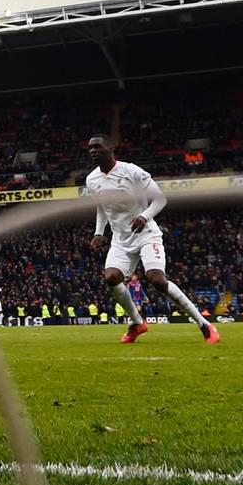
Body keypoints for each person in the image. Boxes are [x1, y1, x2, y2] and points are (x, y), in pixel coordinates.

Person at [84, 134, 219, 344]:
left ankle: (205, 324)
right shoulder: (92, 179)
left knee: (156, 279)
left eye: (97, 147)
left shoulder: (132, 171)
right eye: (90, 148)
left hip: (146, 234)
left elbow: (160, 199)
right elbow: (101, 207)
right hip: (120, 240)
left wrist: (143, 216)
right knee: (111, 278)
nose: (93, 151)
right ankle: (137, 323)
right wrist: (99, 232)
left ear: (110, 147)